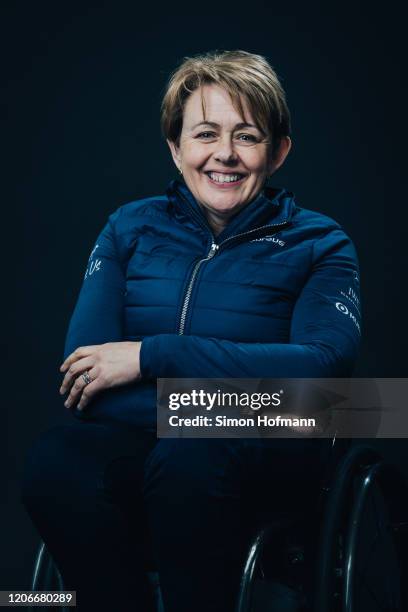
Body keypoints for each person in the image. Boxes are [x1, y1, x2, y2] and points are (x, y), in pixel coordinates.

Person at [21, 50, 361, 612]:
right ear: (176, 149)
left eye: (247, 136)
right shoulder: (128, 227)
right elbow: (85, 373)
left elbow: (321, 375)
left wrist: (154, 356)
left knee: (193, 454)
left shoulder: (323, 244)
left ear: (278, 152)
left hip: (262, 453)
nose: (224, 154)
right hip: (146, 445)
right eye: (205, 133)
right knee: (57, 459)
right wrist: (223, 399)